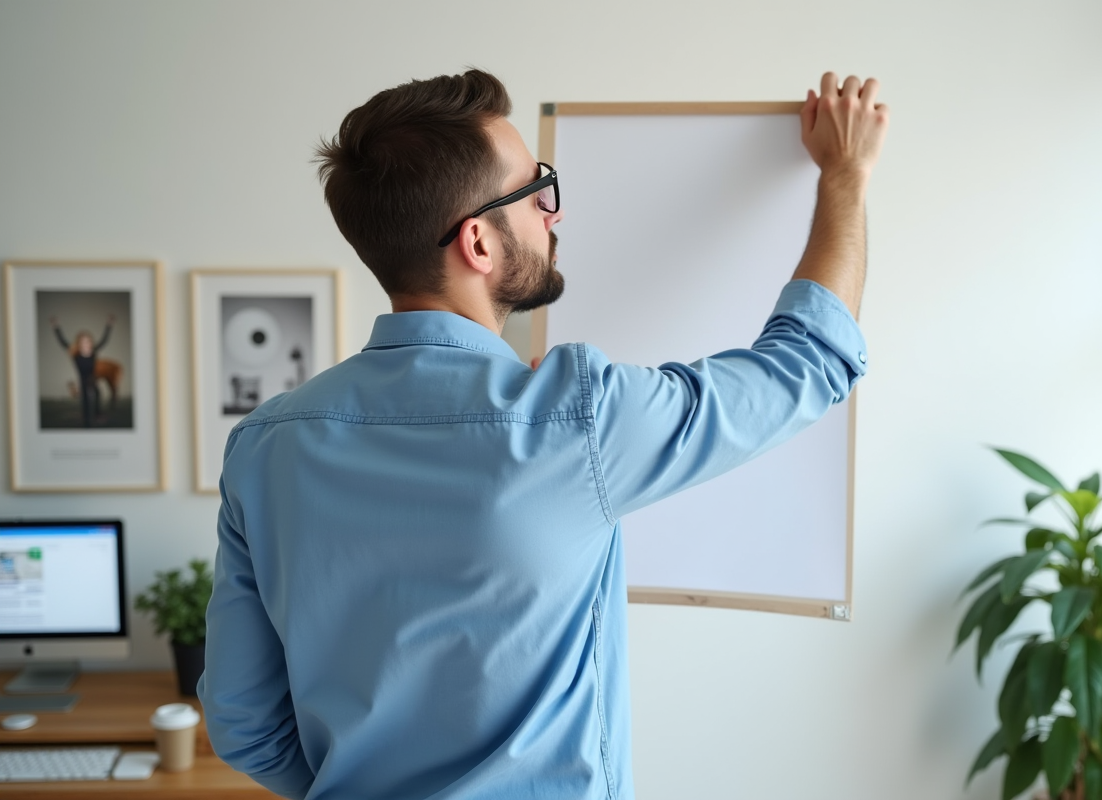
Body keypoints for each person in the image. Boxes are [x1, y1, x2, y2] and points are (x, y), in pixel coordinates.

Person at [199, 69, 888, 799]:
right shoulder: (575, 420)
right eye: (537, 192)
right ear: (478, 242)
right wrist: (845, 177)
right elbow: (809, 363)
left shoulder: (265, 446)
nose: (553, 214)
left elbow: (243, 723)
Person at [51, 314, 115, 427]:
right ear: (79, 344)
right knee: (85, 397)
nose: (86, 344)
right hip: (83, 377)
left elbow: (104, 341)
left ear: (91, 343)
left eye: (88, 342)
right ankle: (85, 417)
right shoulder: (75, 353)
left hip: (92, 377)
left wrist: (109, 325)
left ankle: (97, 414)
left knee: (97, 393)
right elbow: (63, 342)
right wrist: (56, 327)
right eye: (83, 342)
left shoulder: (93, 351)